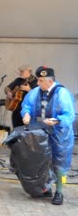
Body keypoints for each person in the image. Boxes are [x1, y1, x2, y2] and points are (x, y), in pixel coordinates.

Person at [21, 66, 75, 205]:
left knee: (59, 163)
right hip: (40, 133)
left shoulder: (62, 93)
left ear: (50, 81)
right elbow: (26, 105)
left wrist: (57, 120)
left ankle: (59, 192)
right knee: (42, 161)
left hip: (58, 134)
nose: (37, 83)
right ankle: (46, 188)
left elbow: (69, 115)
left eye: (40, 80)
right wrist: (26, 113)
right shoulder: (35, 92)